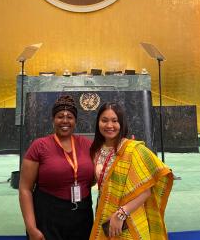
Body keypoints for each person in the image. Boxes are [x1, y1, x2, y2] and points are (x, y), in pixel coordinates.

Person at [90, 102, 174, 240]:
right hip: (104, 213)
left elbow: (146, 191)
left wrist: (121, 215)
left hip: (130, 217)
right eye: (104, 120)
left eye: (114, 121)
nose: (109, 125)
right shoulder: (95, 150)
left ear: (122, 124)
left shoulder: (133, 150)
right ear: (98, 122)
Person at [19, 95, 94, 240]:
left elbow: (95, 178)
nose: (65, 121)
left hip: (82, 216)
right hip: (48, 217)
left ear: (75, 121)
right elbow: (25, 189)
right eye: (60, 116)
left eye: (70, 117)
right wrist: (31, 228)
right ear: (53, 120)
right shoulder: (39, 146)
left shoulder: (87, 145)